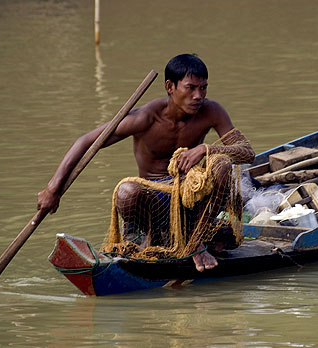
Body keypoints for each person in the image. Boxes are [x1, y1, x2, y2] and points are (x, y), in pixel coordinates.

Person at [37, 54, 255, 271]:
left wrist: (204, 149)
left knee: (222, 165)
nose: (198, 96)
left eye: (203, 88)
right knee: (126, 191)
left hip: (190, 198)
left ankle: (193, 240)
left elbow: (246, 152)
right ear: (170, 87)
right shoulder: (146, 117)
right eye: (190, 88)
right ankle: (160, 236)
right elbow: (85, 141)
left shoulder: (211, 111)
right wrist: (52, 189)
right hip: (154, 200)